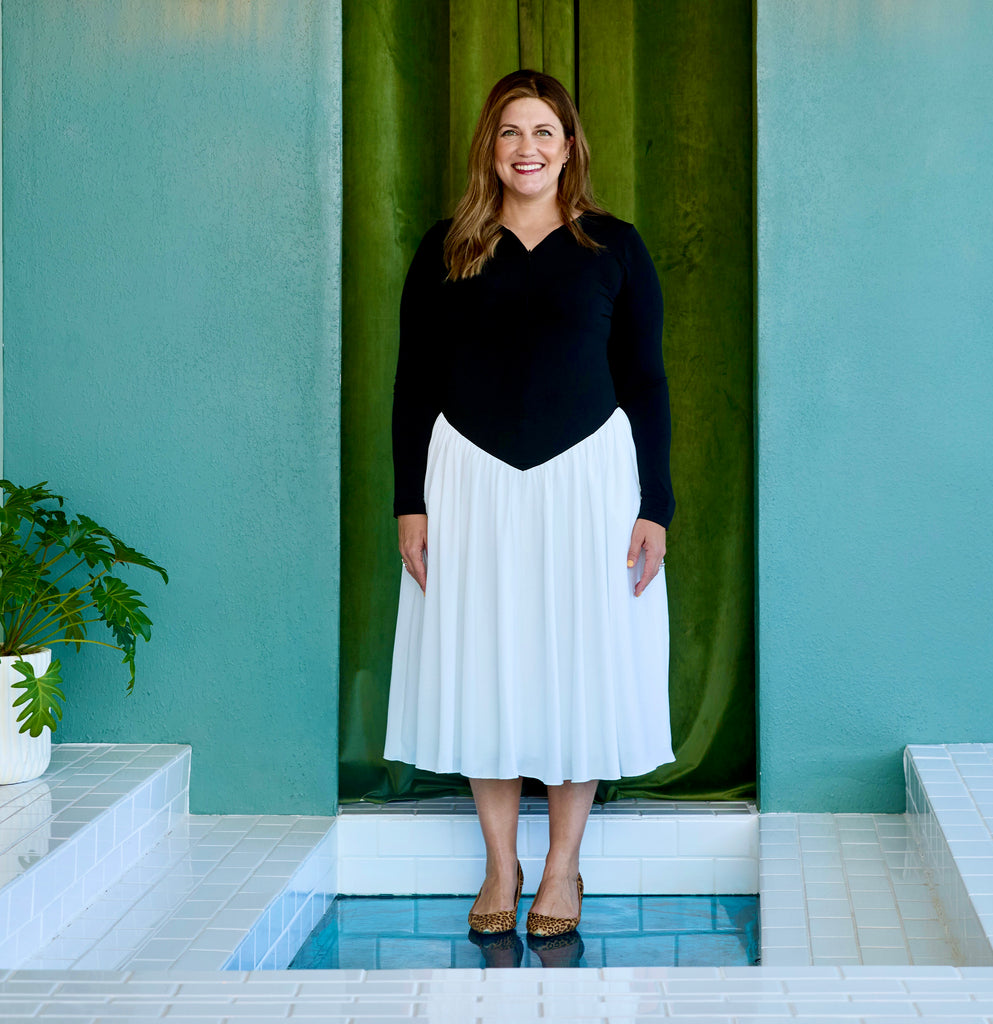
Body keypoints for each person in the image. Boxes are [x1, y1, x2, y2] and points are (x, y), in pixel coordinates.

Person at [385, 69, 674, 939]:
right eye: (511, 132)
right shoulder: (447, 247)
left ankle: (560, 866)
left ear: (570, 146)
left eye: (544, 131)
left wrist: (655, 506)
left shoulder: (614, 247)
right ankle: (500, 863)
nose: (527, 148)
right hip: (469, 483)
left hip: (589, 485)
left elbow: (647, 381)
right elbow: (413, 382)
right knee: (486, 664)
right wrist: (409, 502)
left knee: (577, 663)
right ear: (490, 148)